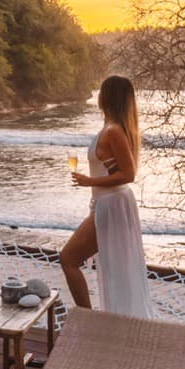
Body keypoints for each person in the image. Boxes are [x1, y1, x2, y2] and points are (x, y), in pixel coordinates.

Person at [60, 75, 152, 316]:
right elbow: (114, 171)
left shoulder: (113, 131)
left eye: (101, 91)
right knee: (116, 267)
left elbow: (128, 174)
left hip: (112, 205)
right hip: (108, 203)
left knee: (68, 258)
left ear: (107, 97)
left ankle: (87, 317)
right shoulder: (112, 129)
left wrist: (90, 181)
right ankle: (103, 316)